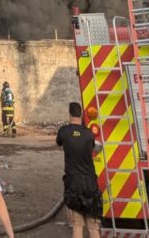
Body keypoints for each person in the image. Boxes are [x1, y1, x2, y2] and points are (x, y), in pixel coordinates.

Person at [55, 101, 103, 238]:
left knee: (77, 226)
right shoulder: (88, 133)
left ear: (69, 114)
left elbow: (57, 143)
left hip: (73, 183)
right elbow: (94, 147)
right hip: (90, 183)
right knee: (93, 227)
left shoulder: (63, 131)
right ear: (81, 114)